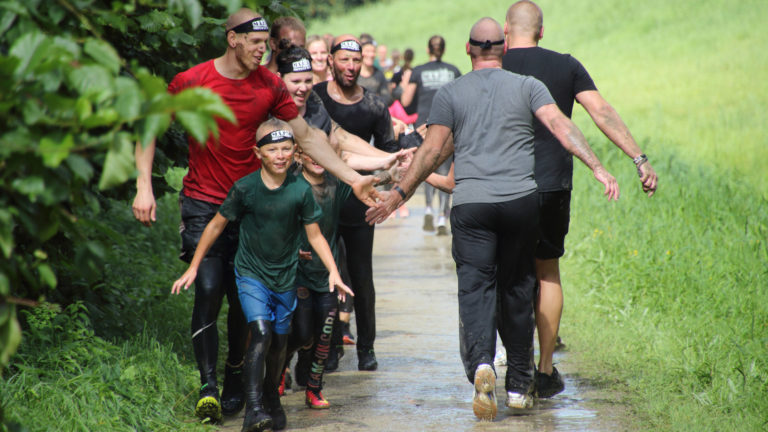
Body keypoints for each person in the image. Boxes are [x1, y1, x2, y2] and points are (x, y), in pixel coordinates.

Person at [131, 8, 378, 423]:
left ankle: (233, 383)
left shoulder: (268, 85)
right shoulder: (192, 81)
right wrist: (143, 184)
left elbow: (307, 137)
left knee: (242, 305)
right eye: (256, 43)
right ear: (232, 39)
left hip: (251, 207)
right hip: (203, 202)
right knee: (208, 288)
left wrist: (353, 178)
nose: (263, 51)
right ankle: (208, 387)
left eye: (267, 44)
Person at [365, 17, 619, 420]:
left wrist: (396, 196)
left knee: (475, 287)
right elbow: (560, 125)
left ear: (467, 50)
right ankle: (519, 385)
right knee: (518, 288)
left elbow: (430, 153)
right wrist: (597, 166)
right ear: (503, 47)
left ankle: (483, 362)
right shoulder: (527, 86)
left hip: (472, 205)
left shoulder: (451, 92)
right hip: (520, 203)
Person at [502, 0, 659, 398]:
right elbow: (600, 111)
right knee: (547, 272)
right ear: (542, 31)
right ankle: (544, 370)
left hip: (503, 184)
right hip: (552, 183)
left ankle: (514, 364)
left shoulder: (493, 65)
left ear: (506, 31)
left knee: (508, 274)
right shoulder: (565, 64)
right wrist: (638, 158)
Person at [171, 119, 354, 432]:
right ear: (258, 153)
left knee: (280, 343)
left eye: (286, 149)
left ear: (295, 151)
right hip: (251, 274)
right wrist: (193, 266)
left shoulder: (301, 191)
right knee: (260, 332)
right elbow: (215, 225)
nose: (280, 155)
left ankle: (271, 395)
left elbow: (315, 236)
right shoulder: (245, 188)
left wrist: (334, 272)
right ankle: (253, 409)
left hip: (284, 279)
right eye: (273, 150)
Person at [314, 35, 401, 372]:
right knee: (327, 274)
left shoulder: (375, 106)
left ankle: (366, 347)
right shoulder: (317, 99)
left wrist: (379, 182)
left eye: (356, 61)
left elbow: (389, 155)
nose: (350, 67)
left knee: (362, 276)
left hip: (358, 202)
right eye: (344, 61)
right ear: (331, 61)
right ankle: (331, 345)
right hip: (320, 200)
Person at [400, 35, 461, 234]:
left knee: (426, 168)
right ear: (443, 50)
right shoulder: (453, 71)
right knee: (445, 173)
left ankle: (428, 209)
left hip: (424, 129)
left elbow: (406, 100)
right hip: (448, 128)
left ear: (428, 50)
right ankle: (443, 217)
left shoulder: (418, 71)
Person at [359, 40, 393, 106]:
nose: (371, 54)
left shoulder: (379, 74)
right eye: (367, 51)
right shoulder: (354, 74)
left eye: (373, 51)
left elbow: (387, 98)